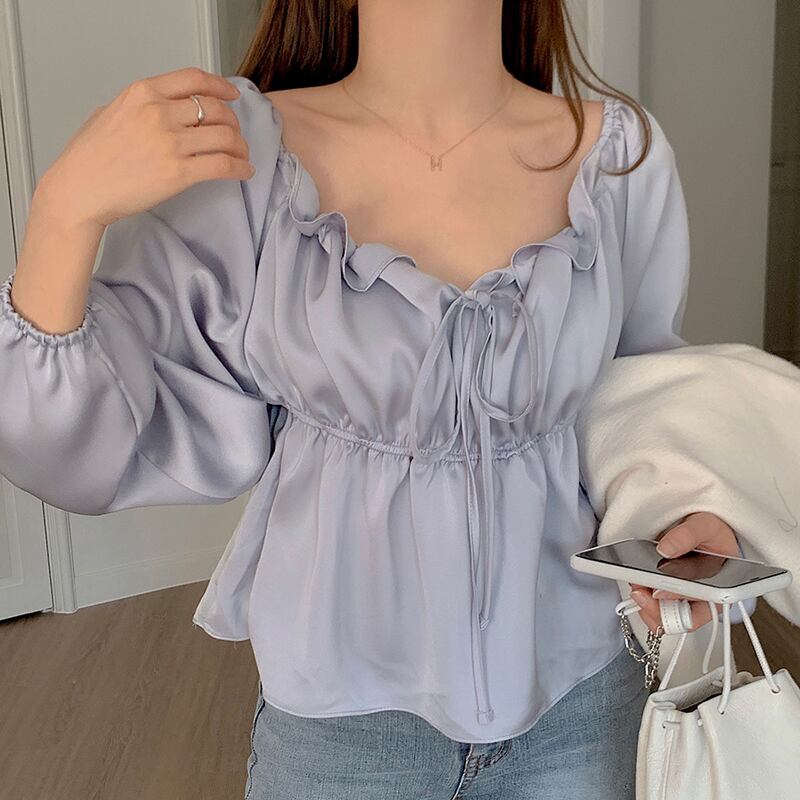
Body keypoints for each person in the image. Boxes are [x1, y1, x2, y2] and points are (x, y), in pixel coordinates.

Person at [0, 2, 747, 798]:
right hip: (341, 729)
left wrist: (681, 521)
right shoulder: (245, 156)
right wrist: (63, 213)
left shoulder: (620, 160)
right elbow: (71, 452)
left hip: (581, 702)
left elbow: (638, 413)